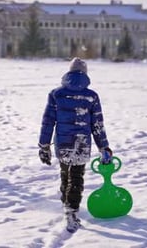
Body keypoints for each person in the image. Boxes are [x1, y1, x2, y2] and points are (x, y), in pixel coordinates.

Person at [38, 57, 112, 233]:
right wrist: (104, 147)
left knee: (65, 172)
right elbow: (97, 125)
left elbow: (48, 122)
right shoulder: (91, 96)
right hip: (81, 142)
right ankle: (71, 210)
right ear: (85, 74)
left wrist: (44, 145)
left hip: (62, 142)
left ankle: (67, 203)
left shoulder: (56, 94)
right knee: (77, 176)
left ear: (69, 73)